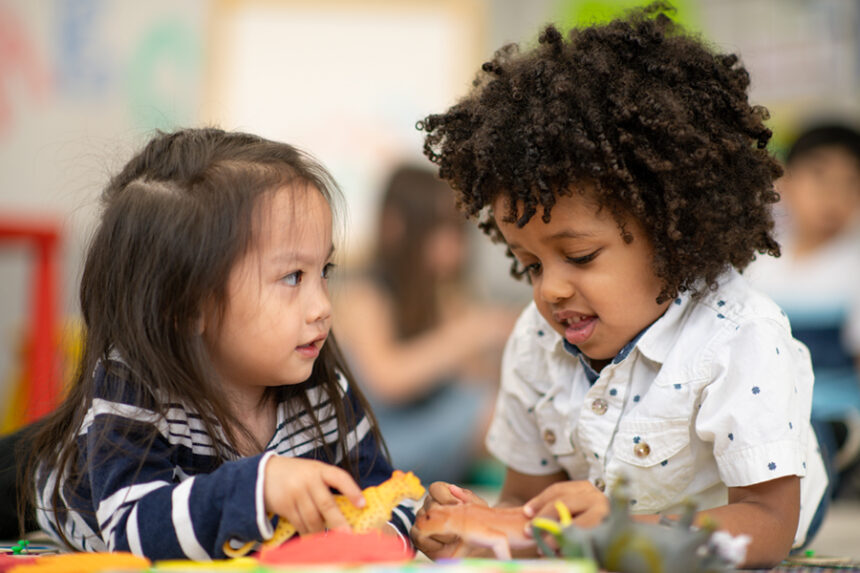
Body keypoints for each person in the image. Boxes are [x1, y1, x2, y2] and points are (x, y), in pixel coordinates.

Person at [411, 3, 828, 569]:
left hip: (759, 505)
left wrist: (625, 531)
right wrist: (481, 526)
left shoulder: (740, 338)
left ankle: (824, 437)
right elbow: (524, 500)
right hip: (617, 511)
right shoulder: (536, 341)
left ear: (671, 233)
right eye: (531, 264)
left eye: (579, 256)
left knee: (799, 453)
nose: (551, 290)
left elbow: (768, 525)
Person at [23, 128, 415, 559]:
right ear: (189, 305)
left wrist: (397, 531)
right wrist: (258, 486)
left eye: (325, 269)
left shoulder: (322, 387)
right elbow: (134, 533)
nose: (322, 305)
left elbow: (381, 492)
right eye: (292, 277)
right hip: (35, 480)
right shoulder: (133, 384)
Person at [335, 165, 517, 484]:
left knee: (503, 404)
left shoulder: (445, 296)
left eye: (457, 232)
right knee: (491, 411)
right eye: (438, 230)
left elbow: (474, 380)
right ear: (398, 227)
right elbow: (388, 378)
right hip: (376, 448)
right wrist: (472, 332)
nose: (453, 248)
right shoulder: (366, 296)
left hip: (431, 442)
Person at [746, 123, 860, 496]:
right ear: (787, 181)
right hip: (763, 412)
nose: (834, 196)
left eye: (850, 183)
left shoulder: (853, 267)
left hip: (834, 418)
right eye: (820, 177)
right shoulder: (758, 263)